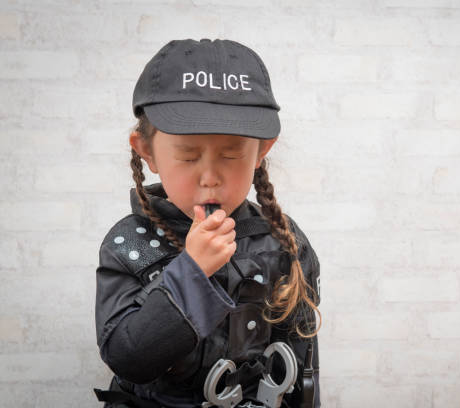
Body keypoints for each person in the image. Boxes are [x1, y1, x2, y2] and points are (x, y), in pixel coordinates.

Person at [92, 38, 321, 408]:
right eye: (187, 156)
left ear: (262, 151)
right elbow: (127, 357)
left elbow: (301, 364)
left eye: (231, 154)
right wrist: (191, 275)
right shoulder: (129, 244)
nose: (210, 177)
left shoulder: (283, 240)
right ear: (146, 151)